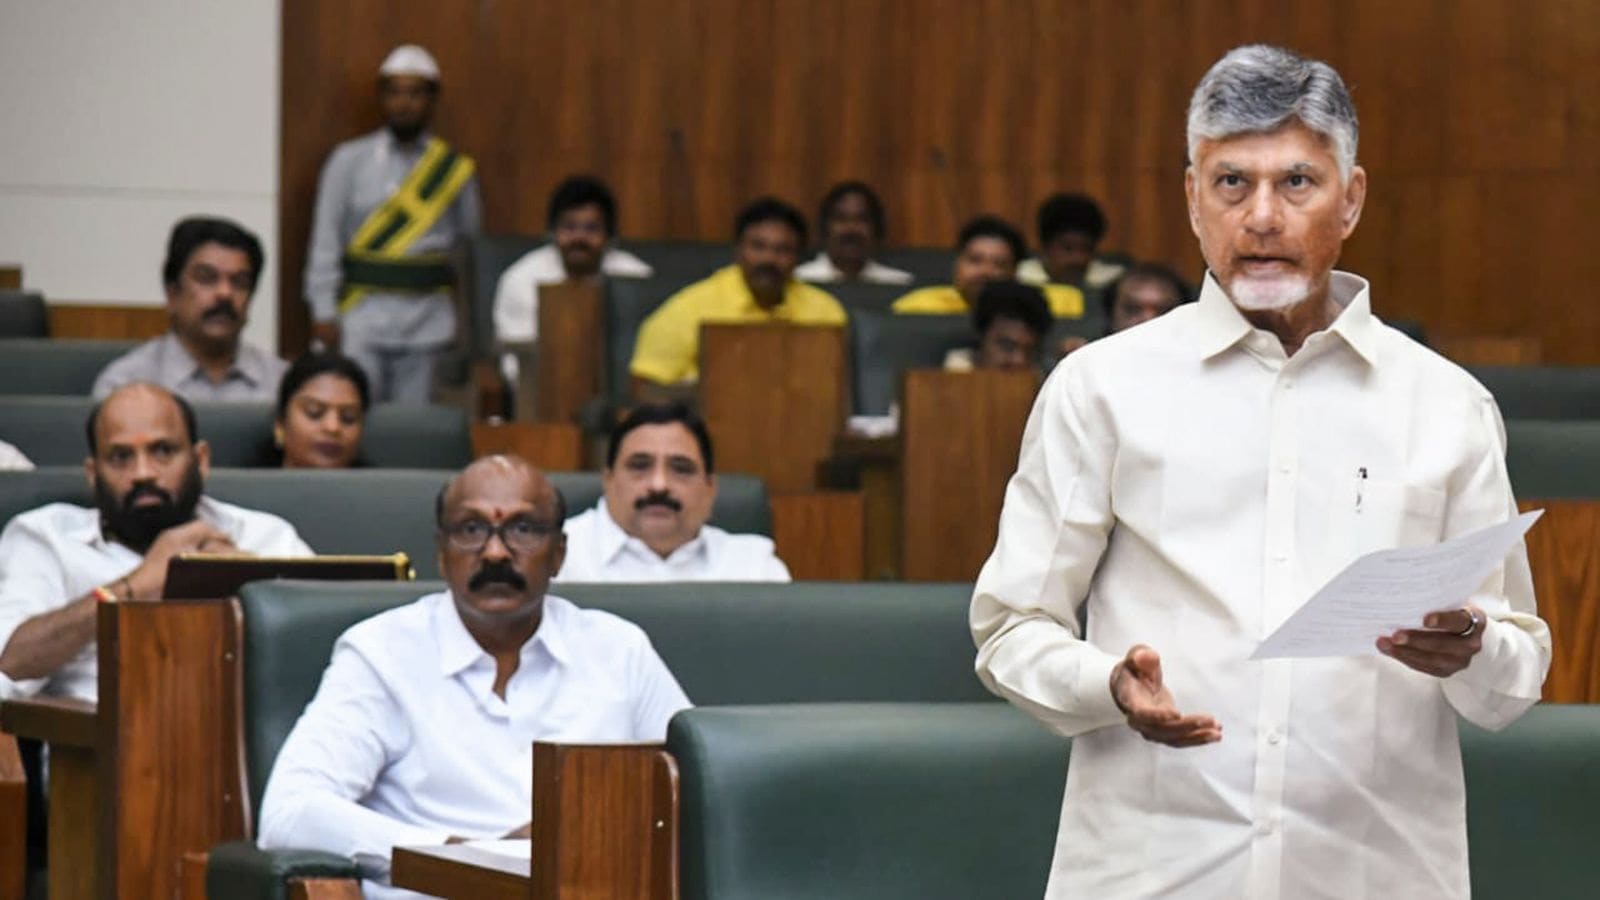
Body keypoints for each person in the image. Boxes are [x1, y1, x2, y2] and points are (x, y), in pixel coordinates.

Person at [970, 44, 1550, 898]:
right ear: (1192, 199)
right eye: (1232, 183)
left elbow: (1518, 673)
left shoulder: (1447, 408)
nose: (1263, 217)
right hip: (1151, 873)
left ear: (1350, 200)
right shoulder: (1102, 390)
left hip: (1374, 874)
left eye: (1298, 183)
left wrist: (1470, 647)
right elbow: (1011, 628)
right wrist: (1109, 685)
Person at [258, 455, 690, 897]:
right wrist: (463, 859)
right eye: (470, 529)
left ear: (559, 553)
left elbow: (695, 789)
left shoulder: (618, 650)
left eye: (523, 529)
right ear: (442, 554)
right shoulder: (383, 652)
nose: (496, 552)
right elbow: (289, 813)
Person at [0, 383, 312, 702]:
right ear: (93, 473)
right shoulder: (47, 538)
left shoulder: (265, 537)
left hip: (245, 737)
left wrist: (244, 594)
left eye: (163, 451)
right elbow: (9, 662)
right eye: (121, 457)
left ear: (200, 459)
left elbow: (324, 648)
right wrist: (132, 588)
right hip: (95, 743)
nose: (143, 473)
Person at [303, 44, 482, 404]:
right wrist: (323, 310)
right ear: (382, 97)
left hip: (428, 322)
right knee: (356, 414)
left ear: (432, 100)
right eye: (395, 93)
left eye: (415, 93)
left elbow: (469, 250)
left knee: (413, 431)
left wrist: (469, 328)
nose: (404, 104)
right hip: (361, 318)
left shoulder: (452, 170)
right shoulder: (347, 161)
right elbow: (325, 240)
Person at [630, 197, 847, 391]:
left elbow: (834, 393)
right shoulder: (691, 308)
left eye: (783, 250)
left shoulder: (825, 312)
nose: (769, 259)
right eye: (758, 246)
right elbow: (644, 387)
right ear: (738, 249)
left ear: (798, 257)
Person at [558, 403, 790, 582]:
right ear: (608, 480)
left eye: (681, 469)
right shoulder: (557, 558)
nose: (659, 485)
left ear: (710, 489)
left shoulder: (755, 569)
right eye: (640, 466)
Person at [93, 217, 286, 402]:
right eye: (206, 278)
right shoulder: (124, 384)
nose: (225, 293)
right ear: (172, 293)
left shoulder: (282, 383)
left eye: (239, 282)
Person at [892, 216, 1083, 319]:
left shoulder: (1061, 302)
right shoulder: (915, 308)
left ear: (1015, 273)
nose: (985, 272)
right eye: (975, 260)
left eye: (999, 265)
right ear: (956, 264)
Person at [794, 181, 913, 285]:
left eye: (862, 219)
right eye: (840, 218)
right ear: (824, 228)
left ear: (877, 229)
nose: (851, 228)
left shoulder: (899, 284)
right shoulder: (798, 281)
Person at [272, 352, 371, 469]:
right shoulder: (249, 485)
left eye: (348, 418)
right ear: (281, 423)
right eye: (314, 413)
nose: (333, 427)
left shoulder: (381, 486)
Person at [1016, 192, 1127, 290]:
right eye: (1068, 248)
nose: (1078, 259)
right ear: (1044, 248)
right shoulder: (1018, 280)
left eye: (1086, 249)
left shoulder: (1113, 282)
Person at [943, 281, 1053, 373]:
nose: (1019, 360)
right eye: (1008, 347)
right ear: (980, 336)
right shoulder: (953, 374)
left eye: (1030, 351)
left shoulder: (1043, 378)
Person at [1102, 262, 1191, 334]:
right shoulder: (1092, 354)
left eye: (1164, 312)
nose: (1148, 321)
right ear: (1111, 316)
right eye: (1133, 309)